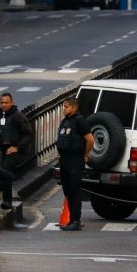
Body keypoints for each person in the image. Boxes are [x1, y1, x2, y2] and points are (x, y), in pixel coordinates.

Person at [55, 97, 94, 231]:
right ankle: (72, 219)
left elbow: (90, 140)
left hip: (75, 160)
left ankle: (75, 220)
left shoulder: (80, 122)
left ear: (74, 108)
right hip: (65, 160)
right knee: (67, 191)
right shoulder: (66, 121)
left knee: (74, 190)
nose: (63, 109)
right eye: (64, 107)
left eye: (66, 107)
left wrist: (85, 155)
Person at [0, 93, 32, 177]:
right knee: (2, 174)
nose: (4, 105)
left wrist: (17, 147)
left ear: (11, 103)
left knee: (4, 172)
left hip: (14, 151)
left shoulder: (18, 116)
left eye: (6, 102)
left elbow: (28, 134)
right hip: (1, 151)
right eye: (2, 102)